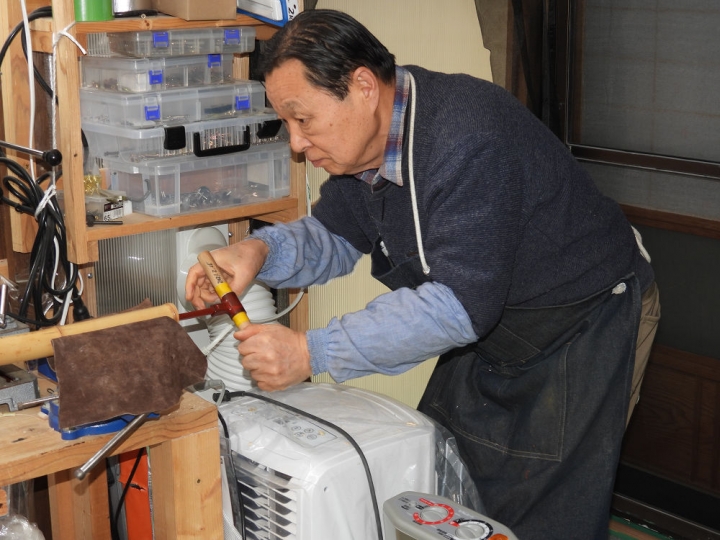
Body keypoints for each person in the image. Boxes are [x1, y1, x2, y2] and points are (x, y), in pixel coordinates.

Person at [185, 9, 660, 539]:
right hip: (493, 322)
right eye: (286, 123)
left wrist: (310, 352)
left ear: (363, 87)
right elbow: (334, 236)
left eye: (303, 119)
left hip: (584, 319)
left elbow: (457, 306)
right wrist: (258, 252)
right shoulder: (364, 148)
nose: (296, 143)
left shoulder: (467, 137)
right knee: (445, 490)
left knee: (543, 515)